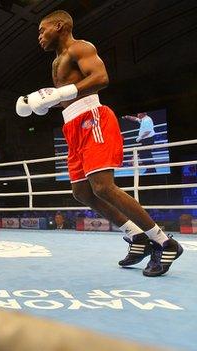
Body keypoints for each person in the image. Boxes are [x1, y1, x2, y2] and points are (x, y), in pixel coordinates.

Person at [15, 10, 182, 277]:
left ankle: (164, 242)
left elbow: (101, 78)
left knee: (103, 187)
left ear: (59, 26)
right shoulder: (57, 62)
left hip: (92, 119)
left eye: (41, 30)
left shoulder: (81, 47)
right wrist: (42, 102)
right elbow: (66, 95)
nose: (39, 37)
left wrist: (62, 93)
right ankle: (136, 236)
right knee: (81, 191)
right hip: (71, 125)